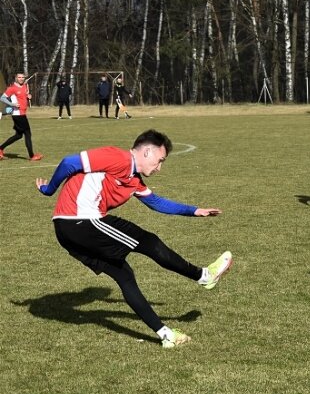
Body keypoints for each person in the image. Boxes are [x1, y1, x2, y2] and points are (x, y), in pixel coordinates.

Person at [34, 129, 233, 347]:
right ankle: (204, 276)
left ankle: (166, 335)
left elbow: (156, 203)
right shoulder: (118, 157)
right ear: (147, 152)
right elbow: (69, 162)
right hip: (80, 221)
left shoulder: (133, 180)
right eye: (159, 160)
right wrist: (48, 189)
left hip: (68, 231)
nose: (159, 168)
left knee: (125, 275)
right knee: (148, 241)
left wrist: (194, 210)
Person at [0, 73, 43, 161]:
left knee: (18, 135)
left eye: (23, 77)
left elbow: (23, 96)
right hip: (18, 114)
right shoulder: (12, 88)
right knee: (28, 134)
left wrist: (28, 96)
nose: (21, 79)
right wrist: (12, 104)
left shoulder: (24, 86)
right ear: (16, 78)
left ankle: (0, 148)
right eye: (19, 77)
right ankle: (32, 156)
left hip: (22, 113)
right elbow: (2, 98)